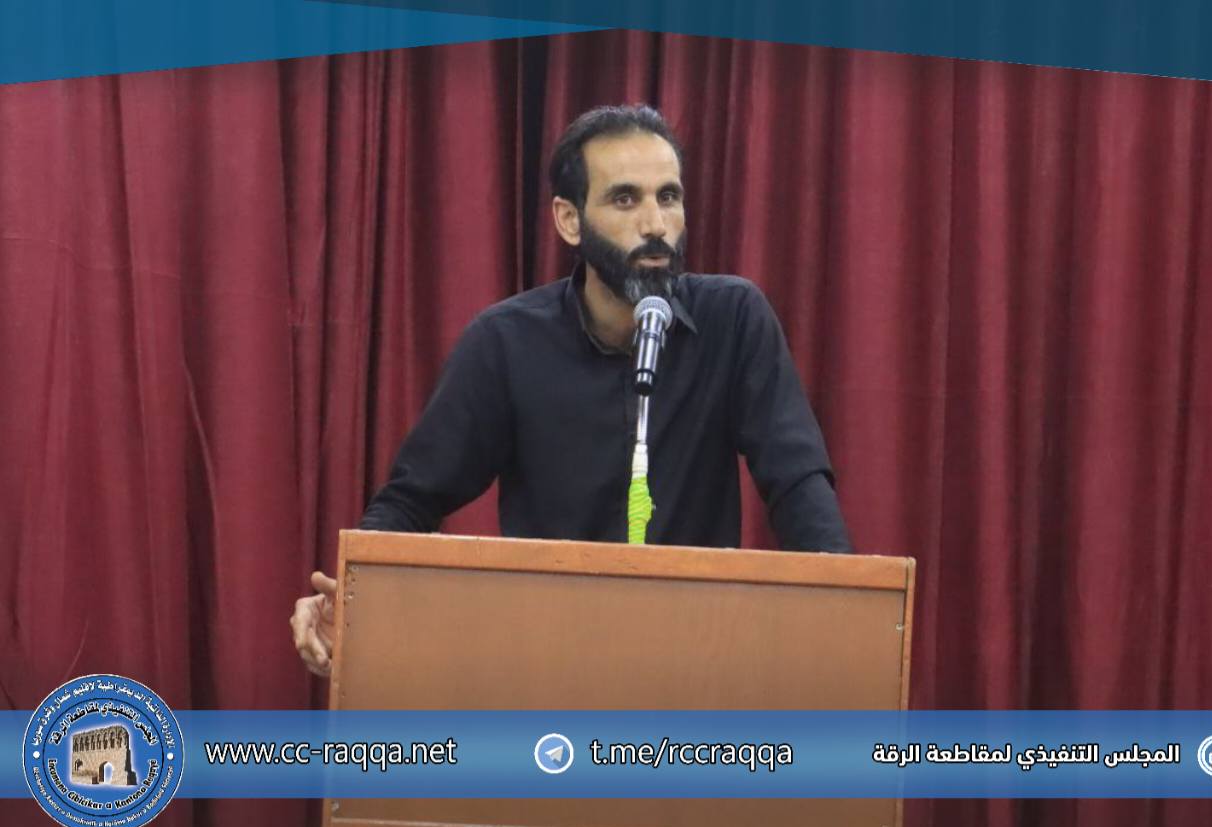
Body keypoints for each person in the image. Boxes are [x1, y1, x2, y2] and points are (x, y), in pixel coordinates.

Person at [292, 104, 852, 677]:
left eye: (668, 196)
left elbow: (797, 482)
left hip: (698, 662)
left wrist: (846, 615)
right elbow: (412, 500)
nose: (656, 224)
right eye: (625, 199)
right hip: (547, 667)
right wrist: (353, 602)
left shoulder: (733, 318)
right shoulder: (507, 342)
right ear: (569, 220)